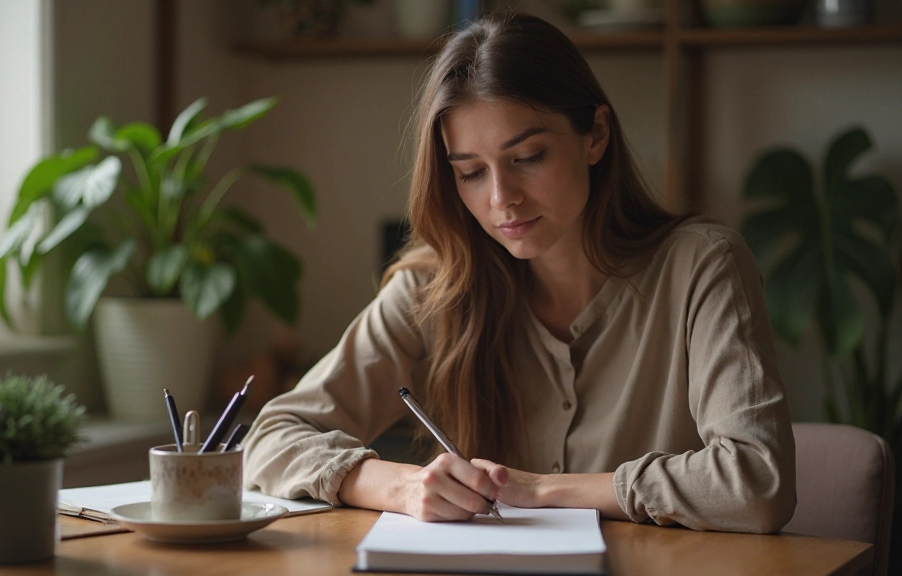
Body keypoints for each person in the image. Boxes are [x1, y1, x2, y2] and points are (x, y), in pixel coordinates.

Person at [243, 12, 796, 534]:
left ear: (596, 135)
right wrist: (404, 486)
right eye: (471, 173)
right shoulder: (433, 289)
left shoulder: (702, 266)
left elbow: (758, 482)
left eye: (528, 157)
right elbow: (270, 437)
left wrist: (545, 491)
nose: (502, 199)